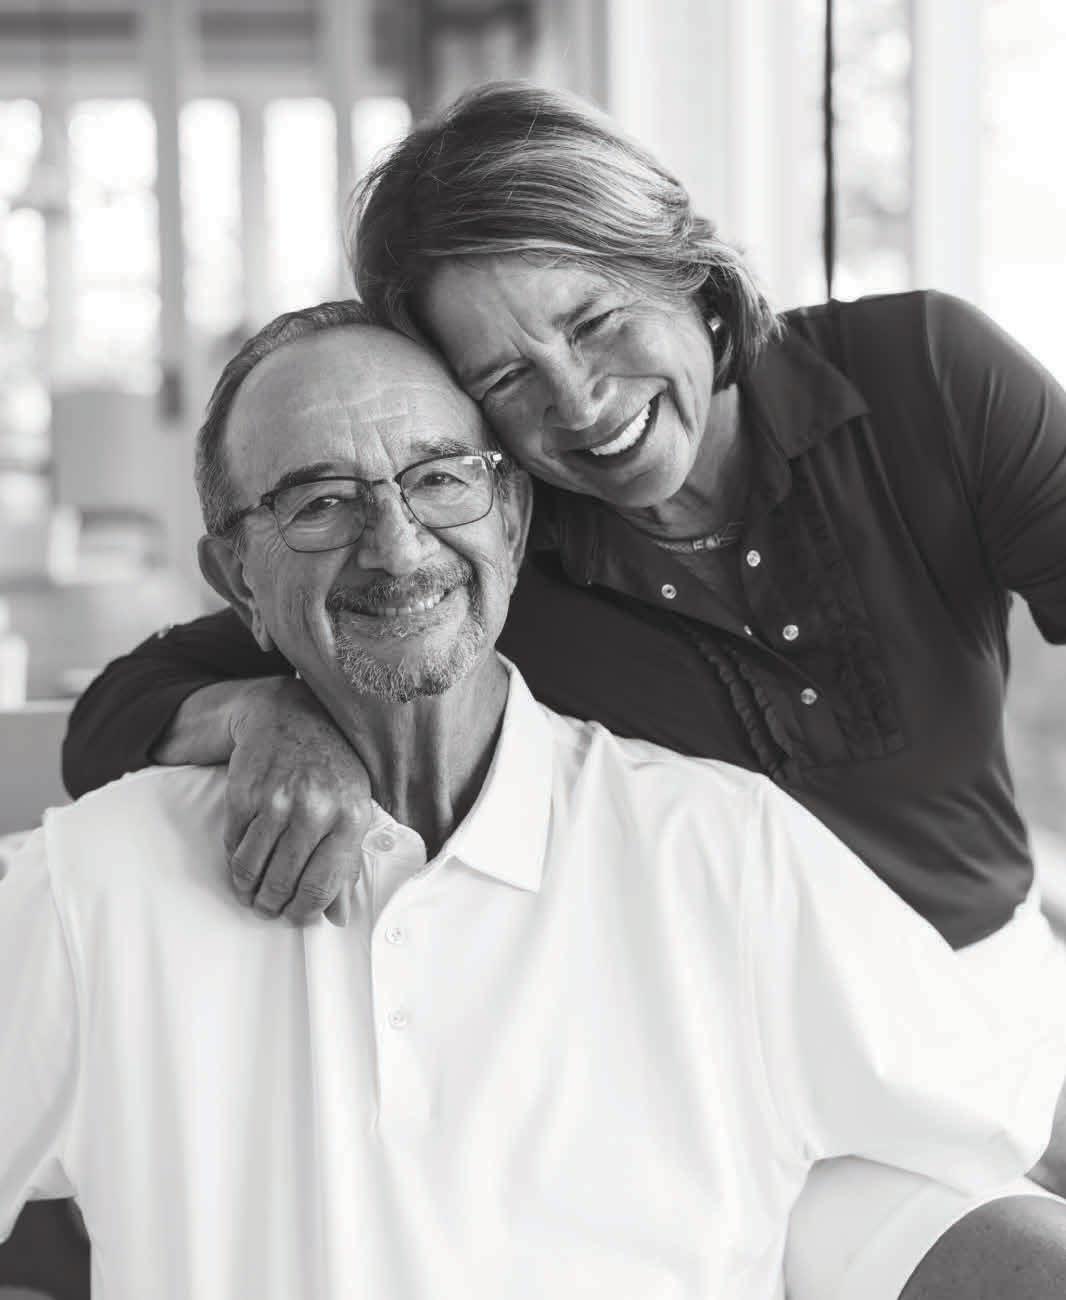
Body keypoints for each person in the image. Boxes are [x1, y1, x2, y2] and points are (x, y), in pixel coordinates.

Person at [61, 82, 1066, 1281]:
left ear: (681, 264)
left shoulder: (926, 377)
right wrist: (266, 715)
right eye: (506, 380)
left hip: (978, 1006)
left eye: (592, 321)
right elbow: (122, 704)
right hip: (694, 1064)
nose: (578, 403)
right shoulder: (481, 561)